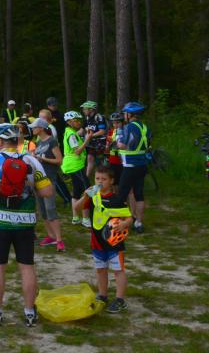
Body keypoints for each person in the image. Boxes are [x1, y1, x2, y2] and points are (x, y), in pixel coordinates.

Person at [0, 123, 54, 327]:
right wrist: (29, 186)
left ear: (0, 141)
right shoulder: (31, 161)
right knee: (27, 267)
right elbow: (47, 192)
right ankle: (29, 312)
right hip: (25, 223)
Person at [76, 165, 133, 313]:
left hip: (114, 243)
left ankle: (120, 300)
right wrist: (85, 196)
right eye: (97, 178)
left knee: (118, 271)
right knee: (101, 270)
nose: (100, 182)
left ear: (111, 181)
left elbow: (129, 218)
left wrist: (124, 224)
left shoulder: (117, 200)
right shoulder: (93, 197)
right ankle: (102, 295)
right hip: (97, 242)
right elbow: (76, 208)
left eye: (104, 179)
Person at [113, 102, 150, 233]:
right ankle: (138, 223)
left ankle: (117, 223)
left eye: (125, 113)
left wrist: (118, 140)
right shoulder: (144, 127)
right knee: (139, 194)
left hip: (130, 165)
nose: (124, 115)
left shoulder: (128, 127)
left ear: (130, 114)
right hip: (142, 165)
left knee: (122, 194)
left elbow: (123, 145)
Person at [29, 118, 65, 251]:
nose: (32, 129)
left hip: (49, 179)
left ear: (41, 128)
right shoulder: (38, 142)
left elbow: (59, 160)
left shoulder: (51, 141)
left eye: (34, 127)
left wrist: (42, 158)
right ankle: (51, 236)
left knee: (50, 208)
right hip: (38, 180)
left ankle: (59, 240)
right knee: (42, 209)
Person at [63, 111, 93, 227]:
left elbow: (79, 133)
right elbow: (77, 151)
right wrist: (87, 139)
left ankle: (75, 217)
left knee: (76, 191)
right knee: (88, 191)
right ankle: (86, 218)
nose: (79, 122)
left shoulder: (70, 132)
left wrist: (85, 132)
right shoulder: (71, 135)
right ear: (69, 122)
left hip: (73, 165)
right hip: (76, 165)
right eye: (76, 120)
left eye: (79, 120)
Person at [81, 101, 108, 179]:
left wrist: (90, 136)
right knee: (90, 158)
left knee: (100, 161)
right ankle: (86, 178)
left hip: (100, 142)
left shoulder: (99, 117)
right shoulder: (87, 118)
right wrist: (73, 134)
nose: (83, 110)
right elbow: (82, 130)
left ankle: (104, 177)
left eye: (85, 109)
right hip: (91, 142)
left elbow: (102, 131)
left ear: (91, 109)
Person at [106, 112, 125, 186]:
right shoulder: (111, 131)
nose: (115, 125)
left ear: (122, 123)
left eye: (118, 123)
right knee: (113, 181)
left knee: (123, 181)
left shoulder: (125, 131)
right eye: (113, 123)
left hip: (123, 160)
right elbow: (107, 147)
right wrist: (108, 145)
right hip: (113, 159)